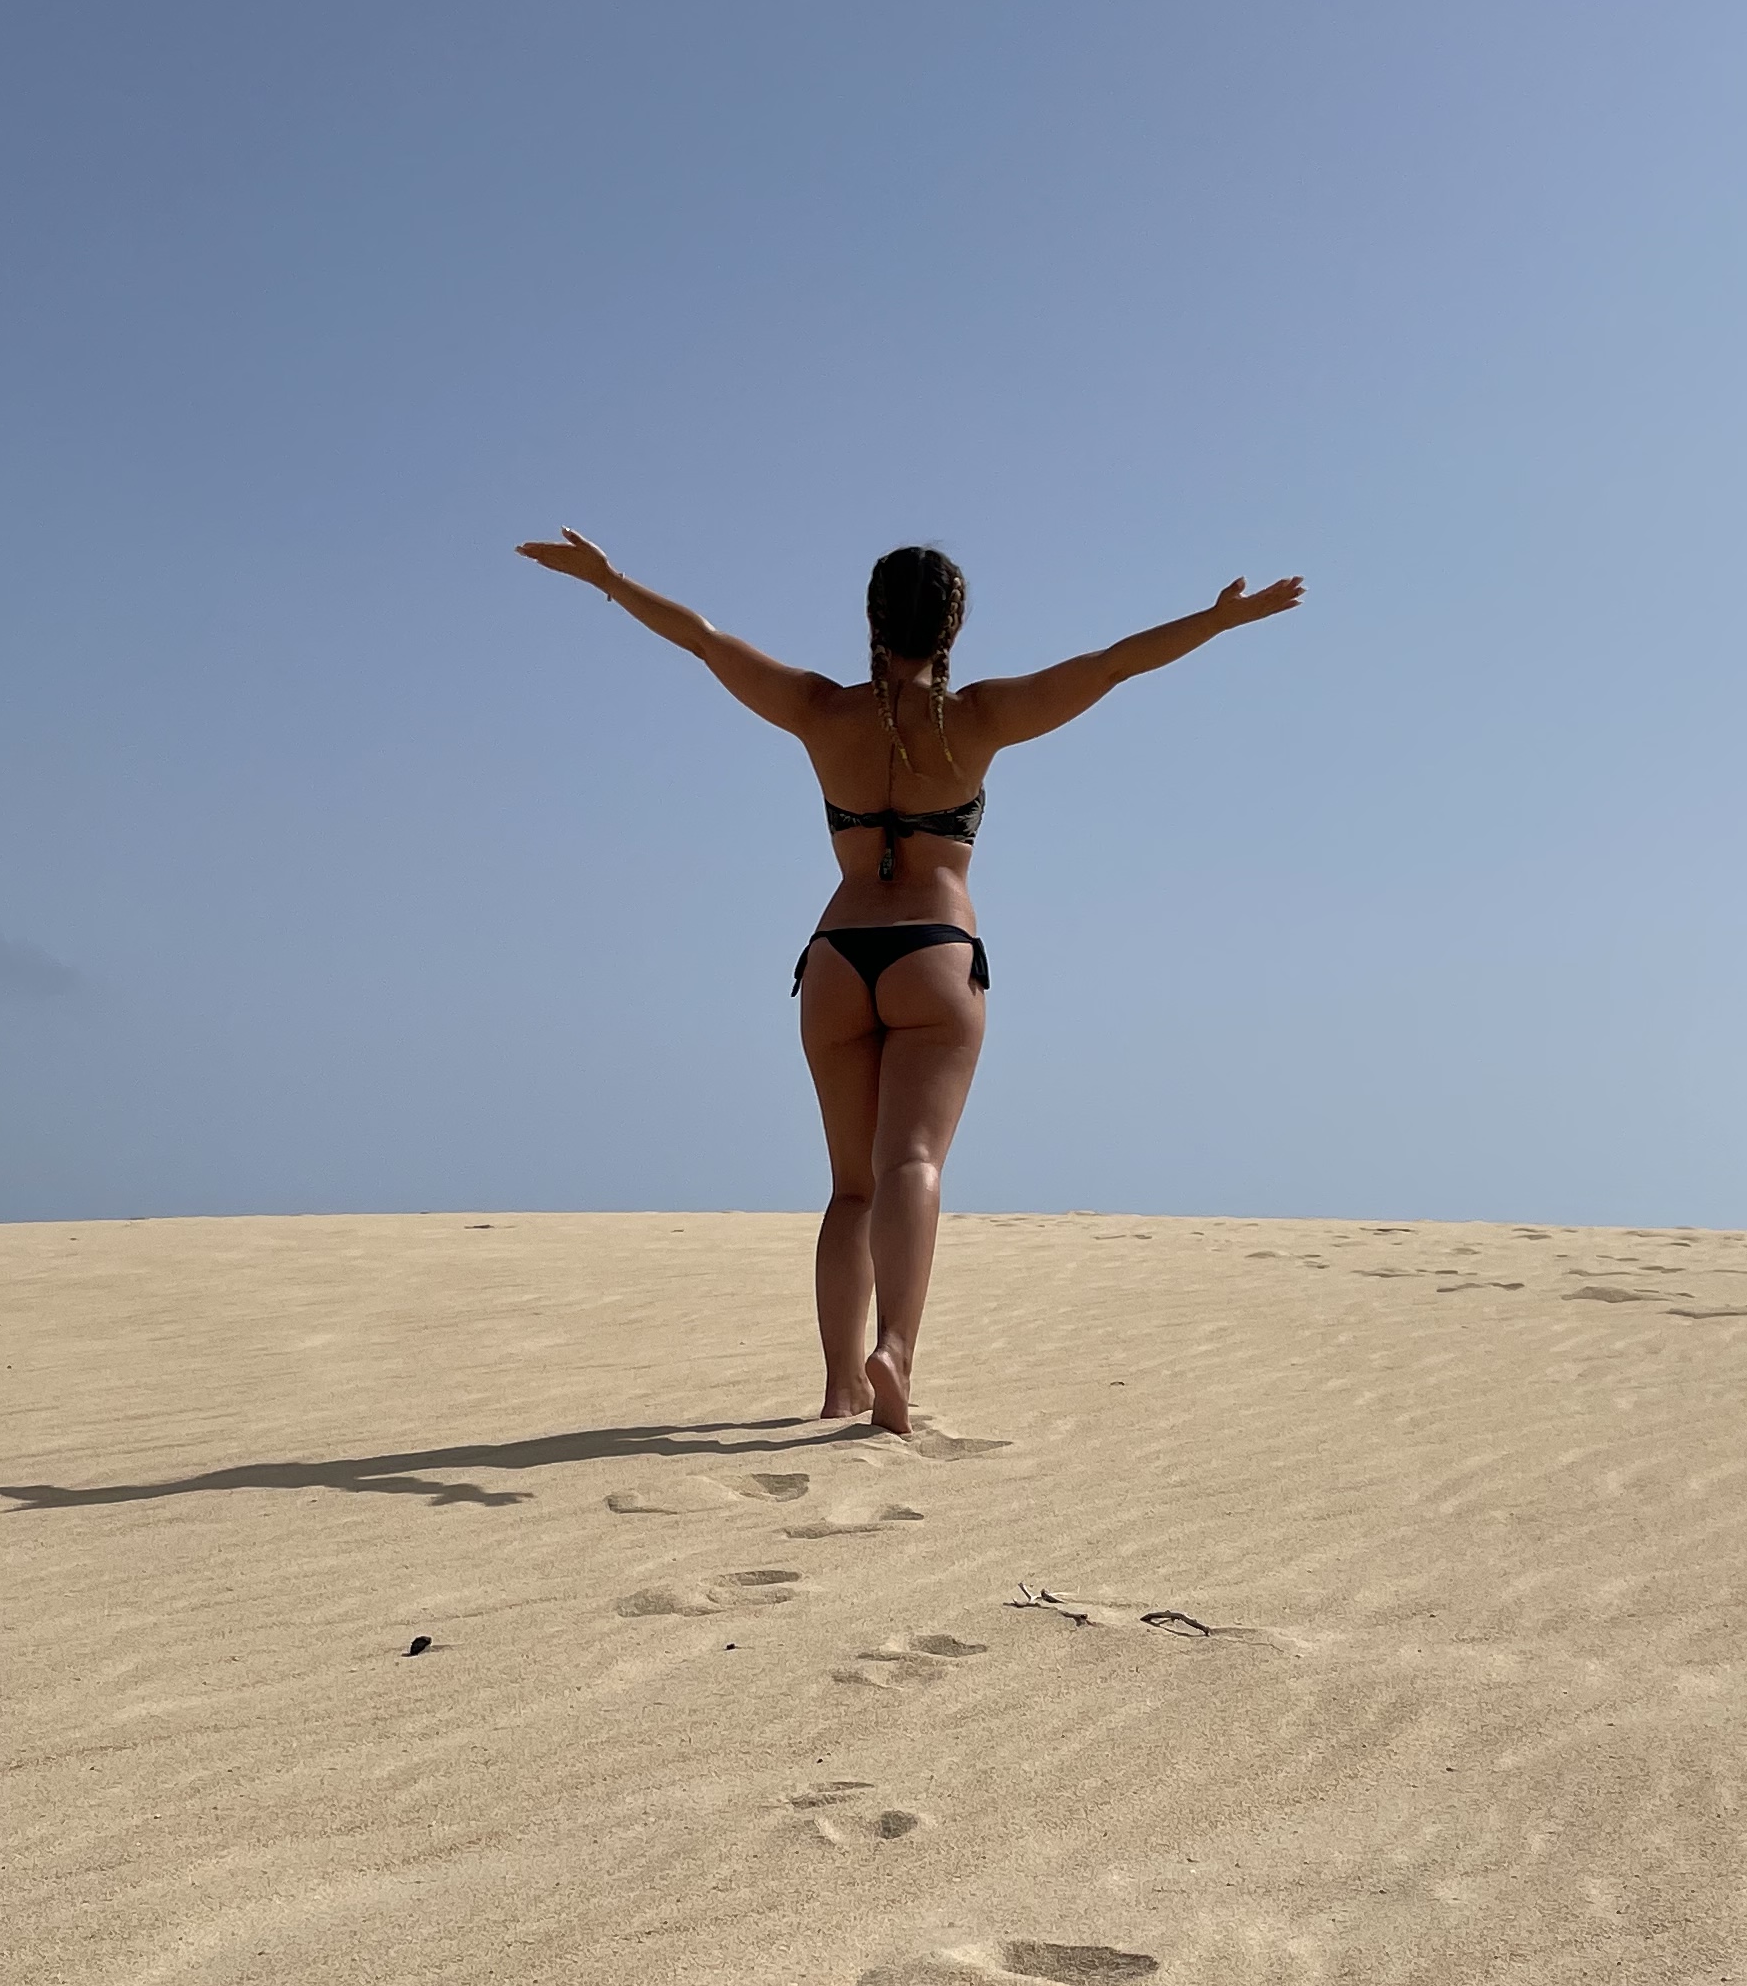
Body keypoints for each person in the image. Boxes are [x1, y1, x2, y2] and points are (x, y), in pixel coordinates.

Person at [516, 532, 1303, 1432]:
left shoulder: (820, 710)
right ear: (954, 624)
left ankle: (837, 1385)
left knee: (851, 1187)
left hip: (840, 958)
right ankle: (892, 1351)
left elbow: (702, 638)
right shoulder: (981, 718)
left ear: (872, 623)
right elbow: (1114, 665)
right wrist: (1216, 620)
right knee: (913, 1164)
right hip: (935, 950)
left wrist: (610, 580)